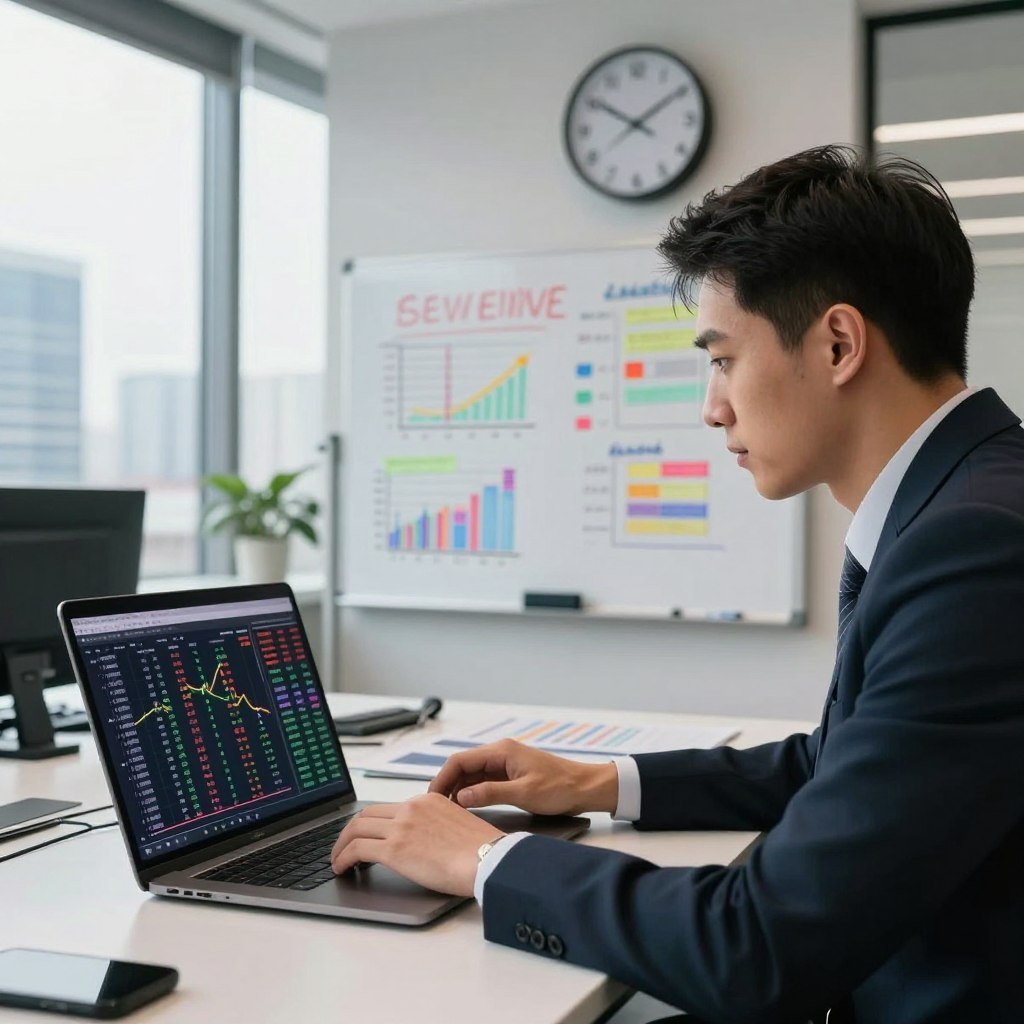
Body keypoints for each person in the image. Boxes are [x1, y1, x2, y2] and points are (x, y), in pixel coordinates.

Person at [329, 145, 1024, 1024]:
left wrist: (483, 863)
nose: (712, 405)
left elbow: (759, 947)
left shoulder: (976, 548)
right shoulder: (966, 498)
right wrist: (595, 785)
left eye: (725, 358)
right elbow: (846, 761)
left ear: (839, 343)